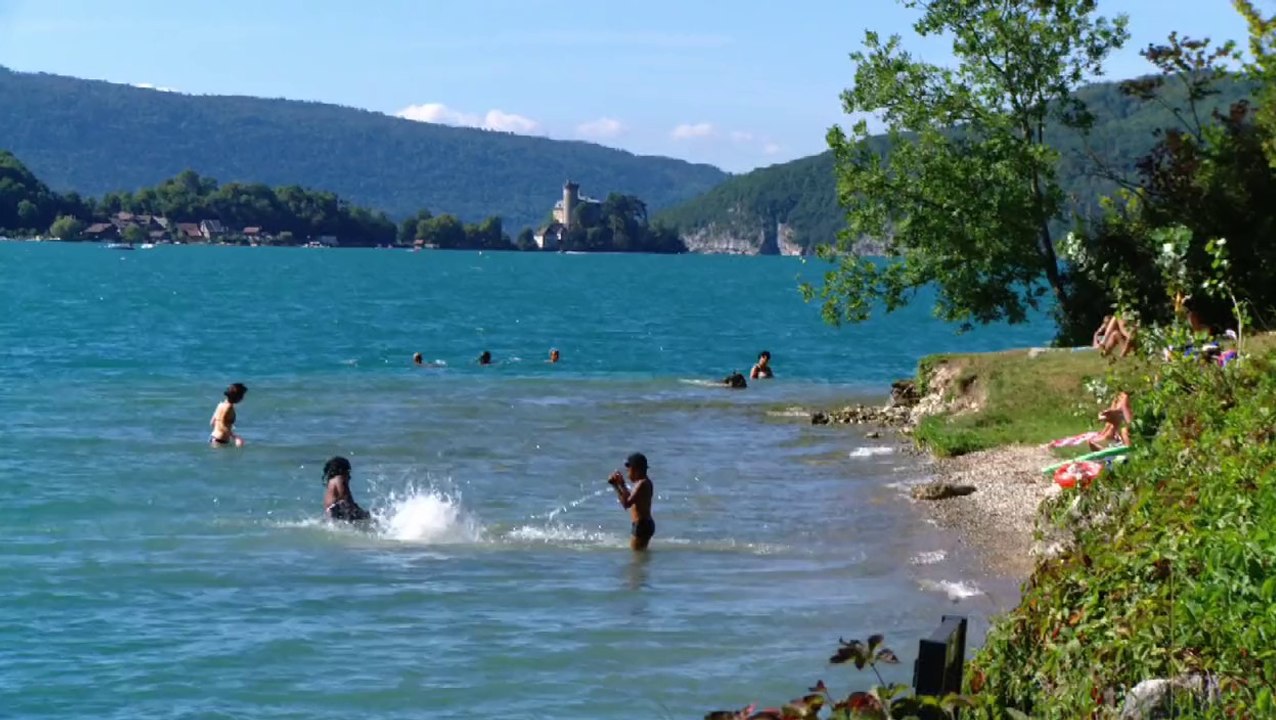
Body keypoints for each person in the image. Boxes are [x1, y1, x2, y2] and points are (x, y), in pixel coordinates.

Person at [608, 452, 655, 551]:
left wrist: (618, 485)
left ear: (636, 469)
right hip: (644, 524)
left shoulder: (642, 484)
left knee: (636, 558)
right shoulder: (643, 482)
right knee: (640, 556)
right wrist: (620, 485)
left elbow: (626, 504)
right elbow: (630, 499)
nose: (628, 473)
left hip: (642, 525)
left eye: (628, 470)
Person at [322, 456, 370, 524]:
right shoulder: (340, 479)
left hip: (330, 516)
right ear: (343, 471)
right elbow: (346, 498)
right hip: (337, 513)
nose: (350, 476)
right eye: (348, 472)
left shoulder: (331, 483)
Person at [209, 383, 247, 447]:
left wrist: (228, 426)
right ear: (237, 396)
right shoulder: (228, 407)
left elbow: (212, 423)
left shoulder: (220, 405)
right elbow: (221, 425)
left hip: (214, 438)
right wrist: (235, 438)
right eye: (242, 395)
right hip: (220, 441)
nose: (243, 398)